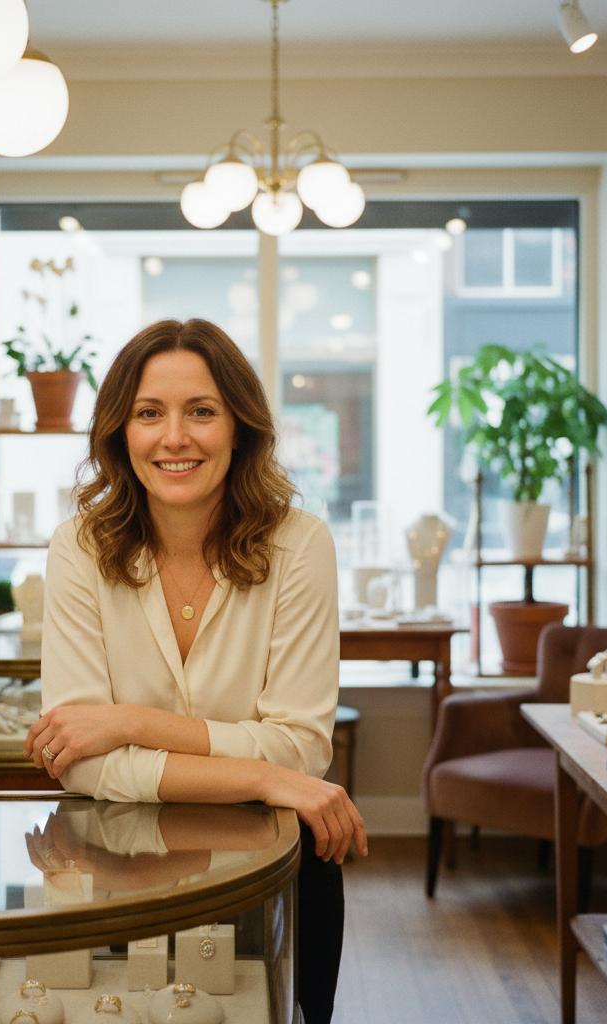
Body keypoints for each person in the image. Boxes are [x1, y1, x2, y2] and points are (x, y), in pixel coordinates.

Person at [24, 318, 367, 1024]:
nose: (174, 438)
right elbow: (80, 764)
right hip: (116, 868)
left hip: (276, 870)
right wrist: (269, 777)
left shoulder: (300, 545)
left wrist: (129, 724)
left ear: (240, 427)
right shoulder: (78, 550)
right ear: (121, 431)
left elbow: (301, 746)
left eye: (201, 412)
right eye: (149, 413)